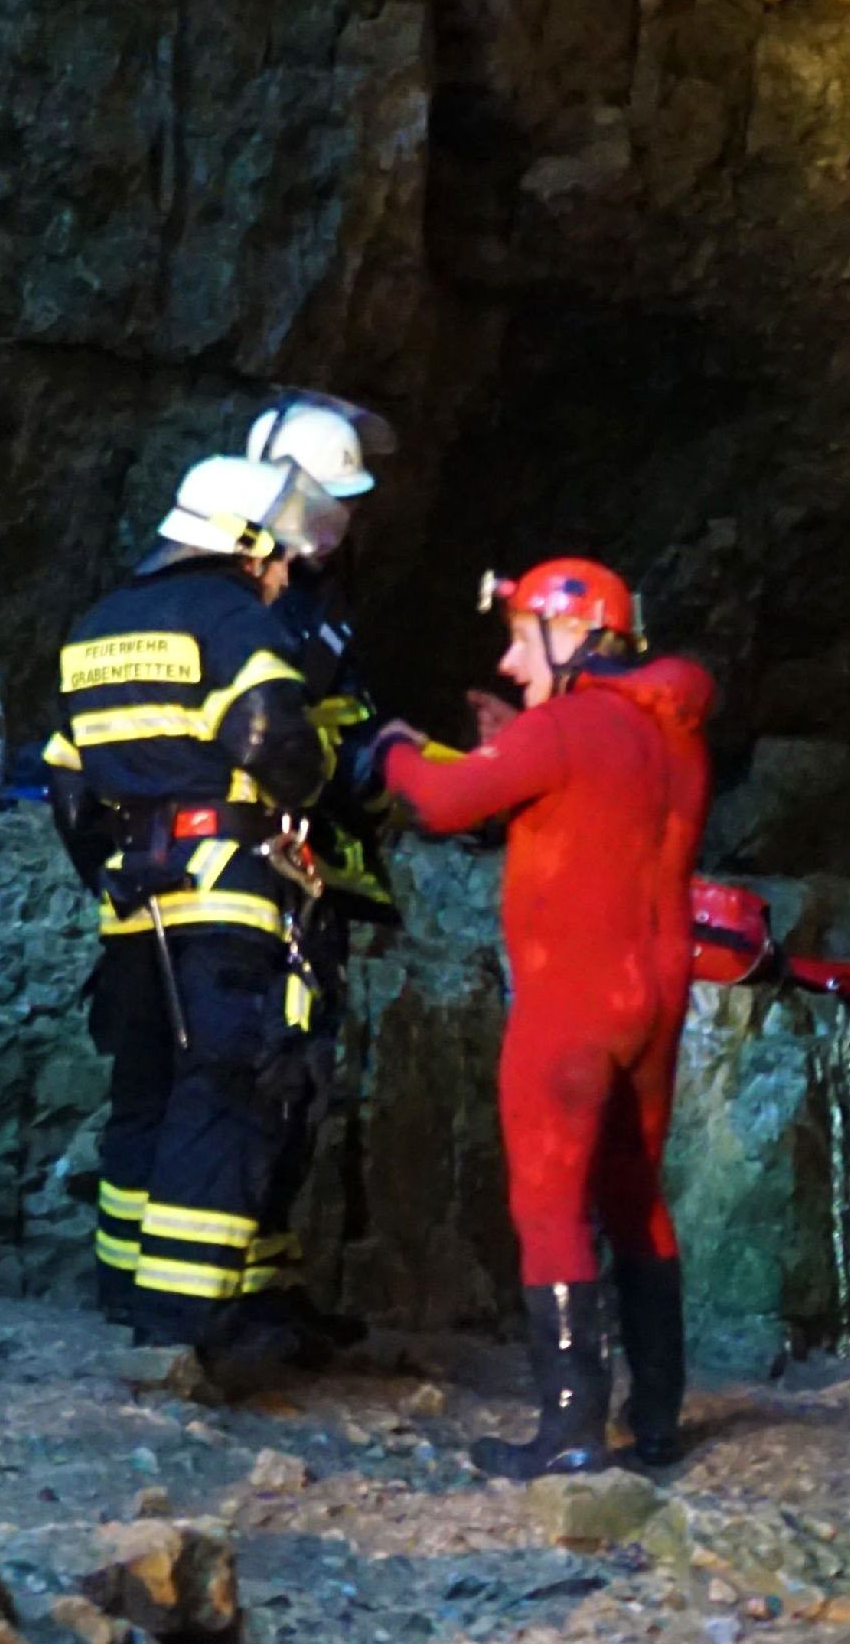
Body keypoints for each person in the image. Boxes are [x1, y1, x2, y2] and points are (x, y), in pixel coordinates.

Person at [366, 558, 713, 1476]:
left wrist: (389, 747)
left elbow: (440, 801)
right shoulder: (671, 733)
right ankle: (658, 1422)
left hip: (573, 1001)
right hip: (656, 999)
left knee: (550, 1205)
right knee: (635, 1196)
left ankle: (566, 1435)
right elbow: (580, 802)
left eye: (522, 641)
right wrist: (515, 744)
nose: (514, 665)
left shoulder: (565, 728)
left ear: (577, 637)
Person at [39, 453, 349, 1369]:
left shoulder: (97, 625)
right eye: (279, 554)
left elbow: (66, 788)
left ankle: (123, 1296)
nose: (285, 572)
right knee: (226, 1094)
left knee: (143, 1095)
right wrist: (321, 780)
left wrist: (112, 870)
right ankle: (182, 1330)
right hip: (227, 898)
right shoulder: (228, 615)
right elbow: (269, 737)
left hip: (134, 905)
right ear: (247, 543)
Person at [231, 392, 412, 1345]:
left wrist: (383, 758)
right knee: (264, 1076)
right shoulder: (243, 596)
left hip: (305, 874)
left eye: (345, 504)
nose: (336, 521)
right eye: (322, 500)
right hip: (253, 867)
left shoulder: (317, 606)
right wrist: (364, 763)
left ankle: (269, 1286)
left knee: (299, 1082)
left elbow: (336, 721)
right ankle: (231, 1299)